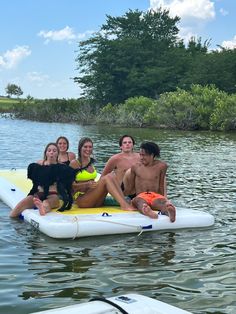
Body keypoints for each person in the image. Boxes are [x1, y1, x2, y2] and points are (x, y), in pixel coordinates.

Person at [69, 137, 134, 210]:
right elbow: (70, 186)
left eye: (90, 147)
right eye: (85, 147)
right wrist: (86, 185)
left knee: (111, 175)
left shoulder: (90, 161)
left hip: (94, 198)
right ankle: (124, 205)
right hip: (82, 199)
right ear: (80, 148)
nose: (88, 149)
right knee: (107, 178)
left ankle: (124, 202)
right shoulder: (75, 163)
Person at [127, 141, 176, 222]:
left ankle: (169, 211)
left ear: (152, 155)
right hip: (141, 196)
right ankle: (149, 211)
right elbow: (131, 188)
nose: (141, 157)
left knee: (160, 203)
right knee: (139, 202)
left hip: (155, 196)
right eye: (140, 155)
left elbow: (161, 185)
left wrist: (164, 199)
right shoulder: (135, 167)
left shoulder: (162, 166)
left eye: (144, 155)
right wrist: (127, 199)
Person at [9, 143, 60, 218]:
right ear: (46, 153)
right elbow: (35, 182)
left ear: (58, 153)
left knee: (47, 203)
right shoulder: (39, 163)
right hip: (38, 194)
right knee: (14, 212)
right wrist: (30, 195)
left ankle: (42, 208)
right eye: (49, 150)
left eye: (54, 151)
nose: (51, 152)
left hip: (52, 194)